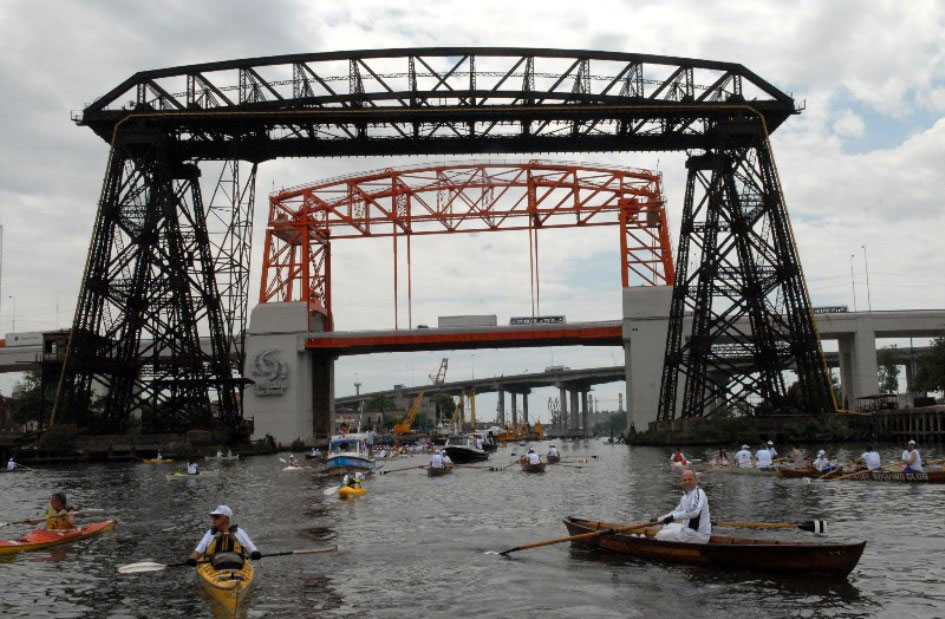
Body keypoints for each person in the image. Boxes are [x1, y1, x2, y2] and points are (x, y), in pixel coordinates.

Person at [187, 505, 260, 566]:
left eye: (217, 517)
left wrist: (255, 554)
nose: (213, 520)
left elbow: (252, 550)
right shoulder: (211, 533)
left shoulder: (238, 532)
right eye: (213, 517)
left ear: (226, 519)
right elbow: (198, 552)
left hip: (236, 565)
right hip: (212, 566)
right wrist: (192, 559)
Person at [654, 470, 710, 544]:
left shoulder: (699, 493)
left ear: (696, 481)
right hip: (689, 531)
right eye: (684, 480)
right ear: (681, 482)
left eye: (690, 479)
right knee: (666, 526)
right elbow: (676, 512)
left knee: (661, 535)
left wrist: (673, 517)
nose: (687, 482)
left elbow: (694, 512)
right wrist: (658, 519)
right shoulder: (685, 497)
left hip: (699, 535)